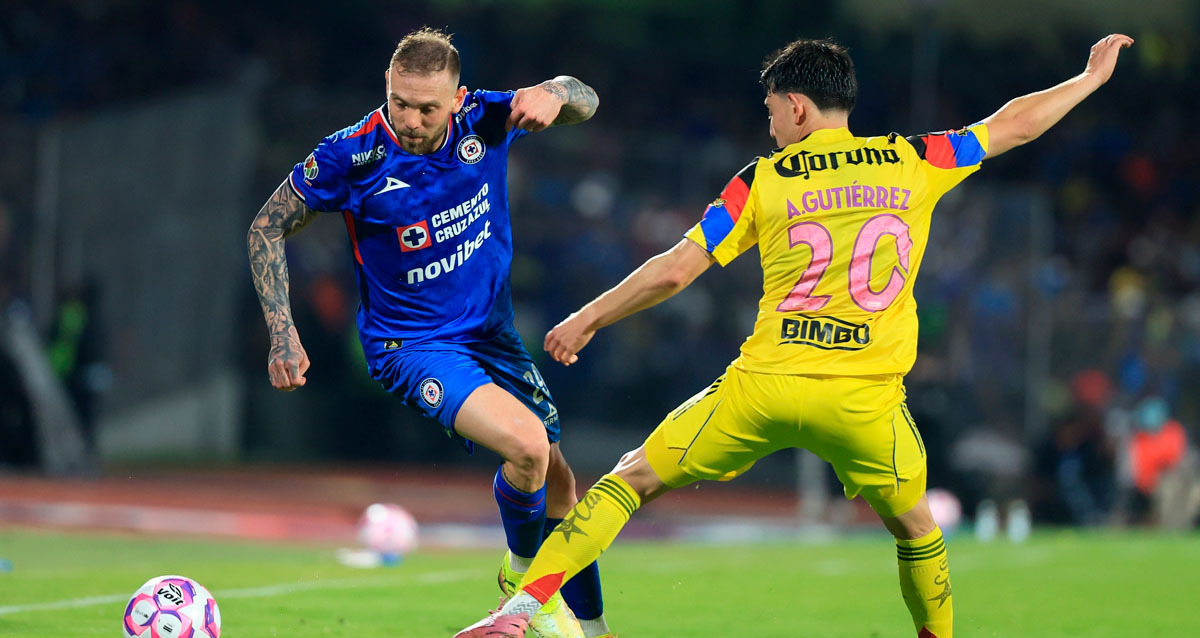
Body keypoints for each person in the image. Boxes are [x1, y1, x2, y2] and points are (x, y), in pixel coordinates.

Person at [457, 33, 1134, 638]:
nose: (773, 126)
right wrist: (1086, 82)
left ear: (799, 108)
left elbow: (677, 270)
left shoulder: (759, 181)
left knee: (630, 480)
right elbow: (1010, 127)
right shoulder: (913, 159)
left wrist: (589, 317)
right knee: (918, 529)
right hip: (866, 404)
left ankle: (525, 607)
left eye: (773, 111)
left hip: (765, 388)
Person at [247, 27, 614, 638]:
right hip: (412, 346)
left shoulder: (485, 118)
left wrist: (555, 91)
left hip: (491, 334)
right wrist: (282, 332)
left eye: (427, 108)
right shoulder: (351, 156)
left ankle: (596, 629)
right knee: (525, 446)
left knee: (560, 482)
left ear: (456, 98)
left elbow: (587, 100)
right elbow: (265, 226)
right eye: (399, 103)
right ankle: (526, 586)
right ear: (386, 91)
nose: (411, 120)